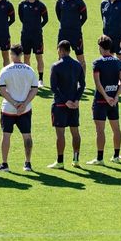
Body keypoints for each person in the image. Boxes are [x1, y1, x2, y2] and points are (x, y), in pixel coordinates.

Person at [0, 44, 39, 172]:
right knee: (27, 136)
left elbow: (2, 90)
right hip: (25, 109)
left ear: (12, 55)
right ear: (21, 55)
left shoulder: (6, 70)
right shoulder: (29, 70)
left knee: (6, 135)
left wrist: (14, 103)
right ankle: (28, 163)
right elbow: (34, 89)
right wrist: (24, 104)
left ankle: (4, 164)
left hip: (8, 108)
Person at [87, 35, 121, 165]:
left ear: (101, 48)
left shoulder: (97, 63)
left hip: (100, 102)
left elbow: (98, 83)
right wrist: (115, 97)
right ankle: (116, 156)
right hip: (113, 102)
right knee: (116, 128)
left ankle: (100, 158)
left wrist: (106, 97)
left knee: (100, 130)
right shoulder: (118, 62)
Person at [48, 40, 85, 169]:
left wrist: (65, 101)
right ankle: (76, 160)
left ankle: (60, 161)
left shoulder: (56, 66)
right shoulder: (77, 65)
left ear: (61, 50)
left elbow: (53, 87)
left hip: (60, 105)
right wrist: (76, 100)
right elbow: (82, 85)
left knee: (60, 134)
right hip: (74, 105)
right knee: (75, 132)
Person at [18, 0, 49, 86]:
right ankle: (28, 78)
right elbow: (21, 18)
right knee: (26, 57)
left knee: (39, 56)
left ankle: (40, 79)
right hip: (25, 35)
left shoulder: (40, 5)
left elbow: (45, 19)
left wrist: (38, 27)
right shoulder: (22, 5)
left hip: (37, 36)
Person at [55, 0, 88, 72]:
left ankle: (82, 82)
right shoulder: (60, 1)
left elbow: (84, 17)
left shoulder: (79, 2)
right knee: (60, 57)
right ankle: (61, 80)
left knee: (80, 57)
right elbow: (58, 15)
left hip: (75, 34)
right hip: (63, 33)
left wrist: (76, 25)